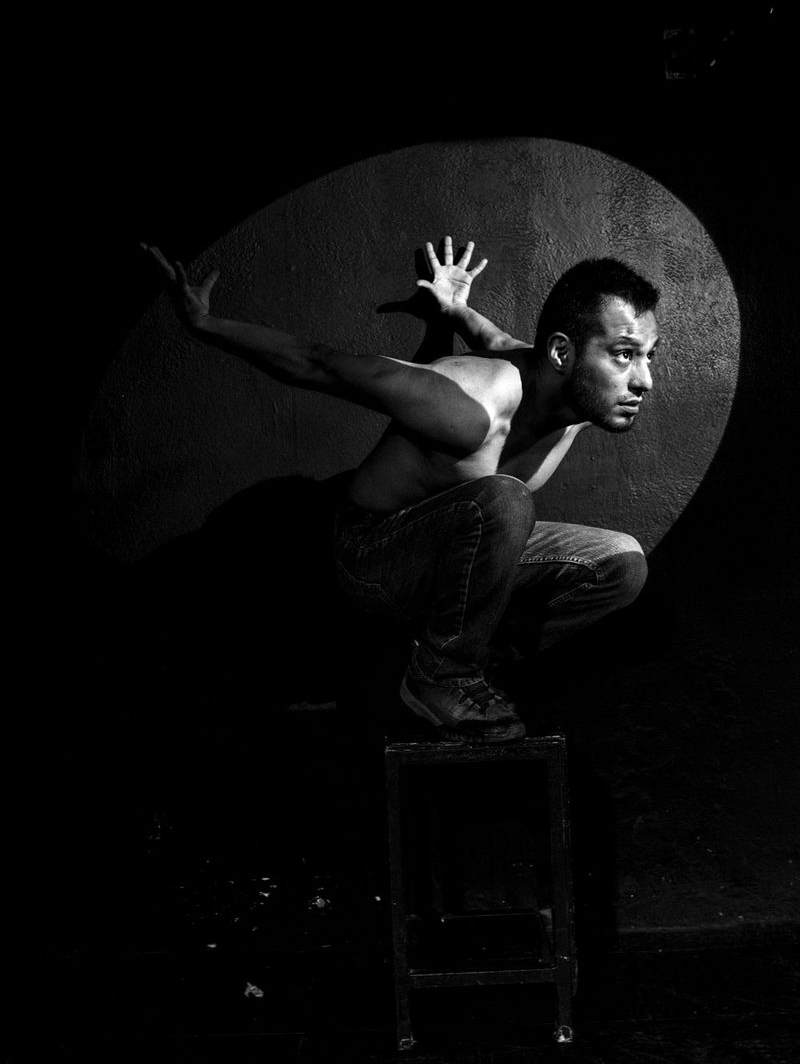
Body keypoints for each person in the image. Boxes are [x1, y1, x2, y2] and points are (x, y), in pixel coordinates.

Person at [143, 236, 659, 743]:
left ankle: (456, 668)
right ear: (564, 354)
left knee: (620, 563)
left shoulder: (582, 396)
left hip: (457, 565)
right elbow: (317, 362)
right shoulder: (465, 402)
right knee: (504, 497)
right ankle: (441, 679)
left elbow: (506, 343)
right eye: (623, 355)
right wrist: (206, 323)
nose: (644, 381)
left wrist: (457, 312)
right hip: (369, 557)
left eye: (648, 356)